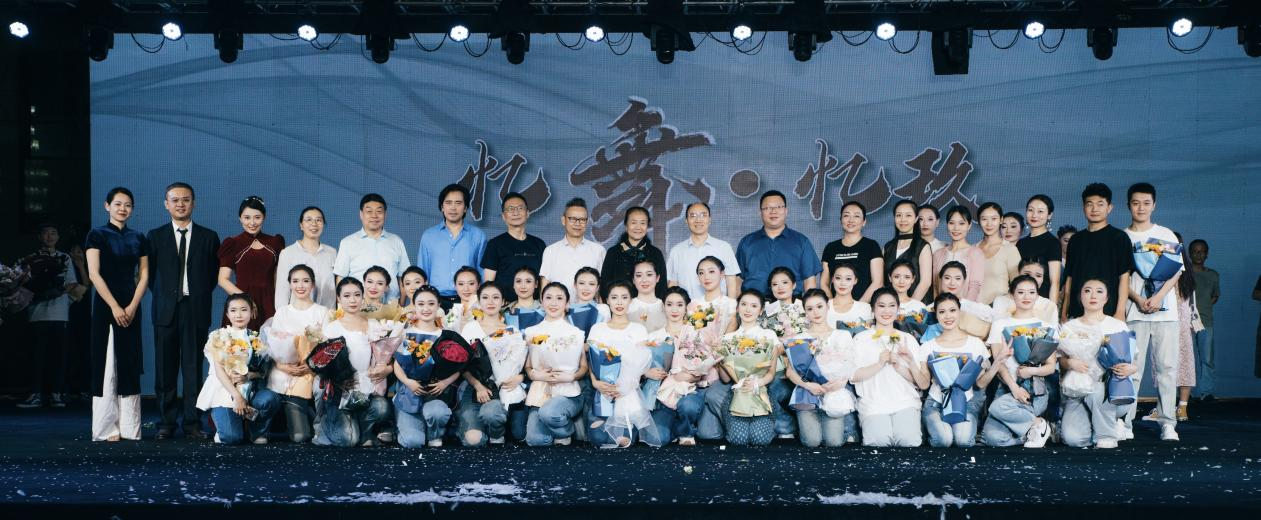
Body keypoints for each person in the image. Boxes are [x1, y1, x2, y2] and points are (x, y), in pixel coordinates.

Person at [146, 183, 221, 440]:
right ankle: (166, 422)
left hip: (195, 308)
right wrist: (167, 296)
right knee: (164, 368)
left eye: (186, 200)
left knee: (193, 368)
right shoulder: (155, 236)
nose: (180, 204)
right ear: (166, 204)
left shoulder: (209, 237)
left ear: (194, 203)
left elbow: (211, 275)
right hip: (165, 309)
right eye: (175, 200)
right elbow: (149, 276)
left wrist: (195, 294)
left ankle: (192, 422)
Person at [85, 187, 150, 441]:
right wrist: (114, 306)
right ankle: (106, 428)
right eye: (118, 204)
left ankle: (130, 427)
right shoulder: (97, 234)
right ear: (107, 206)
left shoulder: (138, 237)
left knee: (129, 361)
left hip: (132, 303)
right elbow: (94, 274)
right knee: (107, 362)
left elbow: (143, 275)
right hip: (106, 304)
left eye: (128, 205)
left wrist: (132, 306)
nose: (123, 209)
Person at [1122, 182, 1181, 441]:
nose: (1141, 208)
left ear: (1154, 205)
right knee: (1131, 369)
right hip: (1134, 312)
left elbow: (1177, 271)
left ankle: (1168, 422)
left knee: (1167, 369)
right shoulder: (1122, 237)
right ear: (1128, 205)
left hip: (1165, 314)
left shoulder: (1165, 234)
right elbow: (1121, 277)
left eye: (1146, 203)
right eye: (1136, 203)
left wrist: (1157, 297)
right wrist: (1137, 298)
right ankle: (1124, 422)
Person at [313, 278, 392, 447]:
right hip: (340, 391)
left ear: (363, 297)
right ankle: (327, 423)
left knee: (382, 408)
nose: (353, 300)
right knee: (348, 440)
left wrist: (386, 368)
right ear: (339, 299)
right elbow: (324, 365)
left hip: (366, 387)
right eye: (347, 296)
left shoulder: (373, 325)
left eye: (357, 295)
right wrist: (339, 379)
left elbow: (385, 354)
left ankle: (364, 430)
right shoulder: (332, 328)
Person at [981, 275, 1058, 448]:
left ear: (1037, 295)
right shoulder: (999, 325)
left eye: (1031, 292)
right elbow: (999, 363)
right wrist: (1014, 388)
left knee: (996, 408)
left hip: (1035, 390)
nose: (1026, 297)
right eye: (1021, 292)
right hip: (1007, 388)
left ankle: (1033, 425)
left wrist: (1031, 371)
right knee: (992, 438)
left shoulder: (1046, 326)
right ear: (1012, 295)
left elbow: (1051, 367)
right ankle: (1037, 425)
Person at [1059, 279, 1136, 449]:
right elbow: (1061, 360)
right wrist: (1070, 363)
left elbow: (1132, 361)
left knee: (1097, 389)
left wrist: (1131, 368)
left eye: (1099, 291)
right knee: (1073, 439)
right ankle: (1099, 426)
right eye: (1087, 291)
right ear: (1080, 296)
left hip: (1109, 391)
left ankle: (1107, 435)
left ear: (1106, 298)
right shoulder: (1069, 327)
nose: (1093, 295)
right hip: (1078, 389)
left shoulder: (1117, 325)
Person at [195, 294, 281, 444]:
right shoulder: (218, 336)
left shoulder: (256, 338)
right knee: (232, 438)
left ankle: (256, 432)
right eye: (233, 310)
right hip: (224, 390)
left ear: (252, 312)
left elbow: (262, 372)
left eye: (244, 310)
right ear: (227, 314)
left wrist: (248, 376)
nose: (239, 315)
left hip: (249, 389)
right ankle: (223, 426)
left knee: (270, 398)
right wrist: (237, 396)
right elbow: (219, 371)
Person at [849, 288, 929, 447]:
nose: (887, 311)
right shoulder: (861, 338)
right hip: (873, 404)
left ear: (898, 309)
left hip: (905, 402)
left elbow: (922, 383)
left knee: (908, 441)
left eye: (892, 306)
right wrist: (879, 364)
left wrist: (905, 364)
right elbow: (853, 376)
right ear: (873, 310)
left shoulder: (907, 339)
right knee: (879, 441)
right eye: (881, 306)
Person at [921, 293, 1002, 448]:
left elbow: (980, 383)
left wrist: (997, 363)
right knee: (944, 441)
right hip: (936, 402)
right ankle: (930, 430)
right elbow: (924, 383)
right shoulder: (928, 346)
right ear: (936, 315)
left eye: (952, 310)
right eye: (942, 312)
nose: (948, 316)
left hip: (966, 403)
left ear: (960, 312)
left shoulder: (975, 344)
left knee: (963, 441)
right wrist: (909, 361)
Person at [17, 223, 81, 410]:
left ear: (58, 237)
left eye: (53, 233)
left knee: (58, 356)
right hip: (37, 314)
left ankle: (56, 394)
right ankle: (35, 394)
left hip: (60, 314)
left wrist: (55, 291)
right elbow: (22, 283)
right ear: (40, 237)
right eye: (45, 233)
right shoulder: (29, 259)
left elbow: (72, 283)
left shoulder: (64, 258)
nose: (49, 236)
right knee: (37, 356)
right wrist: (38, 290)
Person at [585, 281, 656, 447]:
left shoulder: (638, 329)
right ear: (607, 300)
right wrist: (595, 382)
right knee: (597, 438)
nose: (619, 302)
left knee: (625, 439)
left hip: (628, 392)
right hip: (603, 390)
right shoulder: (598, 328)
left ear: (630, 301)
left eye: (624, 297)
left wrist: (626, 386)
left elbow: (642, 363)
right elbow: (591, 360)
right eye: (614, 297)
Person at [458, 282, 529, 446]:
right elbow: (462, 364)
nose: (490, 302)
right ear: (479, 302)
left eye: (495, 297)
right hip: (474, 387)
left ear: (503, 301)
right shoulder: (470, 328)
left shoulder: (511, 330)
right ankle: (471, 423)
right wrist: (478, 386)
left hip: (502, 388)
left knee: (494, 416)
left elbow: (521, 360)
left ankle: (497, 432)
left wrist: (520, 376)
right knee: (473, 440)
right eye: (485, 297)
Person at [265, 265, 328, 443]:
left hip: (313, 370)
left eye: (305, 281)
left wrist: (310, 366)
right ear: (290, 285)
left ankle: (318, 423)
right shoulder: (282, 312)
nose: (300, 285)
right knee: (300, 437)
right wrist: (281, 365)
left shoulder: (322, 312)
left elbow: (327, 347)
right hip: (287, 370)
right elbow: (273, 346)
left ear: (313, 285)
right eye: (295, 281)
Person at [786, 289, 856, 447]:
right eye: (810, 309)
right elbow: (790, 372)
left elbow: (850, 364)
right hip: (808, 393)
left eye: (819, 306)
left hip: (833, 391)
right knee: (812, 441)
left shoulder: (842, 335)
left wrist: (840, 383)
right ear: (805, 312)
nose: (815, 312)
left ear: (827, 307)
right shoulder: (799, 339)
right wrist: (807, 385)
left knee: (834, 442)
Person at [523, 283, 591, 447]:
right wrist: (534, 374)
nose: (553, 303)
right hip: (540, 391)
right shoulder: (531, 331)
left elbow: (584, 367)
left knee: (550, 413)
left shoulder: (575, 333)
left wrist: (572, 376)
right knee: (535, 440)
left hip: (568, 392)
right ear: (542, 302)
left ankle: (565, 429)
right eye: (549, 298)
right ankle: (558, 424)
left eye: (559, 298)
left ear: (567, 304)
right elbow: (528, 366)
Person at [649, 287, 717, 446]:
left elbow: (705, 362)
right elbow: (643, 365)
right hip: (664, 393)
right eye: (669, 304)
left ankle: (686, 430)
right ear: (663, 307)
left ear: (687, 307)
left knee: (688, 407)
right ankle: (675, 425)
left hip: (690, 390)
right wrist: (647, 372)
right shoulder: (654, 337)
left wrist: (693, 375)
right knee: (658, 438)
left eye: (679, 305)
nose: (674, 309)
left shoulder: (696, 333)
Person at [394, 286, 457, 448]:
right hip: (411, 392)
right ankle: (404, 424)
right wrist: (408, 382)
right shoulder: (406, 332)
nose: (426, 308)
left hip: (435, 394)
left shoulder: (446, 335)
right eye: (421, 304)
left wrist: (444, 383)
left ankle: (435, 433)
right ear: (414, 306)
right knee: (412, 442)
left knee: (437, 413)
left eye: (431, 304)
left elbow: (458, 367)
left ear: (438, 306)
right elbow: (398, 364)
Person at [718, 290, 781, 446]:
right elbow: (725, 378)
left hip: (761, 391)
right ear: (737, 308)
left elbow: (771, 372)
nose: (747, 309)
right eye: (744, 304)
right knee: (739, 440)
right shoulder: (727, 338)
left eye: (754, 306)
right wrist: (718, 357)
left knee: (760, 439)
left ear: (761, 310)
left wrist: (757, 383)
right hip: (737, 393)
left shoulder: (769, 335)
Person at [1062, 183, 1133, 322]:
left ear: (1109, 207)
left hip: (1108, 314)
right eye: (1090, 204)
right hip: (1077, 314)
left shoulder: (1119, 238)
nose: (1094, 209)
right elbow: (1069, 279)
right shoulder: (1075, 240)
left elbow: (1124, 278)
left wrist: (1120, 312)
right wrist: (1064, 312)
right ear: (1083, 208)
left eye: (1100, 204)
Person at [217, 196, 285, 329]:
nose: (252, 222)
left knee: (270, 340)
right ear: (240, 219)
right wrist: (246, 300)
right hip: (241, 303)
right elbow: (222, 280)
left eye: (257, 217)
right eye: (247, 218)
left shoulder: (275, 242)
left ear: (264, 217)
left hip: (270, 301)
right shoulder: (233, 243)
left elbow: (277, 277)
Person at [418, 184, 486, 310]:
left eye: (458, 203)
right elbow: (422, 271)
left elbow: (482, 272)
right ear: (442, 207)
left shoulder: (478, 235)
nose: (453, 208)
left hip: (468, 300)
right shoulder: (428, 236)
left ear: (465, 208)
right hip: (435, 300)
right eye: (448, 203)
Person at [737, 190, 820, 293]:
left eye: (778, 207)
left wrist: (809, 301)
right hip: (753, 301)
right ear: (760, 212)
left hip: (791, 301)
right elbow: (738, 279)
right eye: (767, 208)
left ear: (786, 211)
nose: (773, 211)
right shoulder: (747, 242)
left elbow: (809, 280)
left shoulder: (801, 242)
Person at [333, 193, 410, 303]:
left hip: (390, 308)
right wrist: (341, 309)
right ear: (361, 214)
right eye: (369, 211)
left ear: (385, 214)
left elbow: (403, 278)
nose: (374, 216)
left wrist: (400, 307)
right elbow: (340, 279)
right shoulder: (347, 243)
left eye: (379, 211)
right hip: (357, 307)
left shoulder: (396, 241)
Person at [667, 202, 742, 301]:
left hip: (718, 308)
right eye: (693, 216)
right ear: (686, 220)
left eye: (703, 215)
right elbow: (673, 283)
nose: (698, 220)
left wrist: (730, 307)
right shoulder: (677, 251)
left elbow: (731, 283)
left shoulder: (724, 247)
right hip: (687, 308)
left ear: (709, 219)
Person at [481, 192, 545, 303]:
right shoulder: (495, 244)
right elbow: (488, 283)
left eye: (520, 208)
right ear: (503, 216)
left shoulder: (539, 244)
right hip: (504, 306)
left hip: (534, 306)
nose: (516, 212)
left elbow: (543, 279)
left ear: (527, 213)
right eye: (510, 209)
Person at [820, 201, 883, 303]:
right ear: (841, 220)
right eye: (846, 215)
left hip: (864, 307)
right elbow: (824, 283)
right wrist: (832, 305)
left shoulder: (871, 245)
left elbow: (878, 282)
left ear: (864, 222)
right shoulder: (831, 248)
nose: (851, 220)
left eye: (856, 216)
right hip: (836, 308)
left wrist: (859, 307)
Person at [539, 198, 605, 296]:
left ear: (587, 222)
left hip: (589, 305)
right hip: (558, 305)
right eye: (573, 219)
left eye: (582, 220)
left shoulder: (598, 250)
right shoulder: (551, 251)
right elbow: (544, 286)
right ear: (563, 220)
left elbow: (601, 287)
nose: (577, 223)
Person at [275, 206, 337, 309]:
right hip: (297, 315)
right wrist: (282, 315)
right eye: (308, 220)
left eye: (318, 220)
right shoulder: (287, 253)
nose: (314, 224)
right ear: (301, 225)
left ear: (323, 224)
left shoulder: (332, 253)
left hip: (328, 314)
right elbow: (282, 292)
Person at [600, 206, 667, 299]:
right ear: (626, 225)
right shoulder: (613, 252)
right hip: (619, 305)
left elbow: (662, 286)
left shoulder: (655, 253)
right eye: (633, 222)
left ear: (647, 226)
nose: (638, 227)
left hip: (648, 306)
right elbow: (605, 285)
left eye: (642, 223)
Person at [881, 200, 933, 303]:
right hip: (890, 307)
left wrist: (909, 306)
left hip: (916, 308)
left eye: (908, 215)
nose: (903, 219)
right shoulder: (887, 247)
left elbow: (925, 282)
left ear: (916, 219)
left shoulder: (922, 246)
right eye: (899, 215)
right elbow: (883, 281)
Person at [932, 206, 985, 302]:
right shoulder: (938, 254)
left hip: (967, 308)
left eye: (961, 223)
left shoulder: (976, 253)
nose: (956, 228)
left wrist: (964, 307)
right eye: (952, 223)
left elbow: (975, 286)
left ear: (969, 226)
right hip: (941, 308)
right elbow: (936, 286)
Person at [1188, 240, 1219, 401]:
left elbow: (1215, 296)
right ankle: (1187, 393)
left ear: (1207, 254)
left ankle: (1206, 392)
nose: (1199, 255)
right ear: (1190, 253)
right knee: (1187, 358)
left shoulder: (1213, 275)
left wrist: (1202, 308)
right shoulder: (1183, 274)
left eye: (1202, 251)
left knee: (1207, 358)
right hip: (1185, 322)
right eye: (1195, 251)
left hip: (1205, 322)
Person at [1016, 195, 1063, 302]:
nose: (1034, 215)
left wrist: (1052, 309)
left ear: (1049, 215)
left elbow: (1055, 282)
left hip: (1042, 301)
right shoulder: (1021, 243)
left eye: (1040, 211)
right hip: (1021, 300)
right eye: (1030, 210)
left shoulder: (1052, 243)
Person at [992, 260, 1061, 325]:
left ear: (1043, 279)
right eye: (1027, 274)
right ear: (1018, 274)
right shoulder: (1001, 301)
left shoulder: (1049, 306)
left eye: (1038, 275)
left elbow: (1053, 331)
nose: (1032, 278)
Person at [977, 202, 1021, 305]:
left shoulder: (1010, 250)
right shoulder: (972, 249)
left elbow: (1018, 286)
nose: (989, 224)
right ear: (978, 221)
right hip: (973, 309)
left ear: (1001, 220)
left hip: (1000, 309)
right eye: (984, 219)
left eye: (994, 219)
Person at [827, 264, 874, 328]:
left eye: (848, 279)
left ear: (855, 281)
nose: (842, 283)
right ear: (832, 279)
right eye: (838, 278)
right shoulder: (823, 306)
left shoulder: (864, 308)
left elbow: (868, 332)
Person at [628, 259, 667, 333]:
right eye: (639, 275)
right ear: (633, 280)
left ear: (657, 278)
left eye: (649, 275)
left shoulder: (666, 306)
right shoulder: (627, 306)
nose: (644, 280)